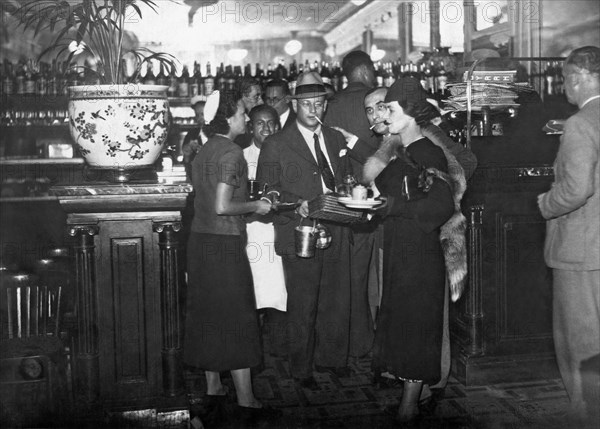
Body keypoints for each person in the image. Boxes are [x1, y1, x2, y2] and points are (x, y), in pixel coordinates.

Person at [183, 90, 278, 426]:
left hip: (200, 242)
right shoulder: (232, 152)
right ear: (229, 118)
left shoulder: (204, 149)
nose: (246, 117)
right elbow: (223, 206)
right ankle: (247, 400)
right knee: (238, 320)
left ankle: (214, 387)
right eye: (241, 113)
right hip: (224, 244)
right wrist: (258, 205)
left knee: (209, 315)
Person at [365, 77, 454, 424]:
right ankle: (410, 401)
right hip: (402, 250)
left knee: (417, 327)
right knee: (404, 324)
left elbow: (440, 207)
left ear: (412, 112)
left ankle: (408, 408)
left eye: (391, 108)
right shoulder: (402, 149)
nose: (385, 114)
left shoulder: (429, 153)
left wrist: (391, 207)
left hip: (420, 254)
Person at [256, 71, 354, 389]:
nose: (314, 110)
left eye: (319, 104)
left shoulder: (337, 138)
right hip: (300, 230)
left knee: (337, 299)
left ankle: (333, 359)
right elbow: (266, 191)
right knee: (303, 303)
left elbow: (347, 179)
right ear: (295, 105)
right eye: (307, 104)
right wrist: (295, 202)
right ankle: (301, 369)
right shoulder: (276, 143)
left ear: (326, 105)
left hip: (337, 225)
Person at [537, 45, 599, 427]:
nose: (564, 88)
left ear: (579, 77)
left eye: (565, 79)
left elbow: (577, 190)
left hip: (581, 249)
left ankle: (586, 416)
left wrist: (545, 203)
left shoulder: (580, 122)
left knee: (580, 340)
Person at [323, 50, 380, 360]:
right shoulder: (375, 102)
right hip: (375, 201)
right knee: (369, 277)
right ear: (366, 71)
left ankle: (340, 340)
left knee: (343, 274)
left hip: (339, 201)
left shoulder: (330, 107)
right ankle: (363, 340)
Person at [243, 104, 287, 312]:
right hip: (251, 235)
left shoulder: (288, 156)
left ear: (279, 126)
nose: (267, 129)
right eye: (260, 124)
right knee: (252, 294)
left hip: (278, 233)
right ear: (251, 128)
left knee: (279, 296)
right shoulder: (240, 157)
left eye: (271, 123)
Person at [182, 96, 207, 179]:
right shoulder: (191, 135)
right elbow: (186, 168)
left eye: (203, 114)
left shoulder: (220, 134)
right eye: (197, 115)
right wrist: (186, 156)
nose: (200, 118)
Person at [234, 76, 263, 149]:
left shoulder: (252, 120)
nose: (261, 102)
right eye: (256, 97)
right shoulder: (235, 125)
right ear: (242, 97)